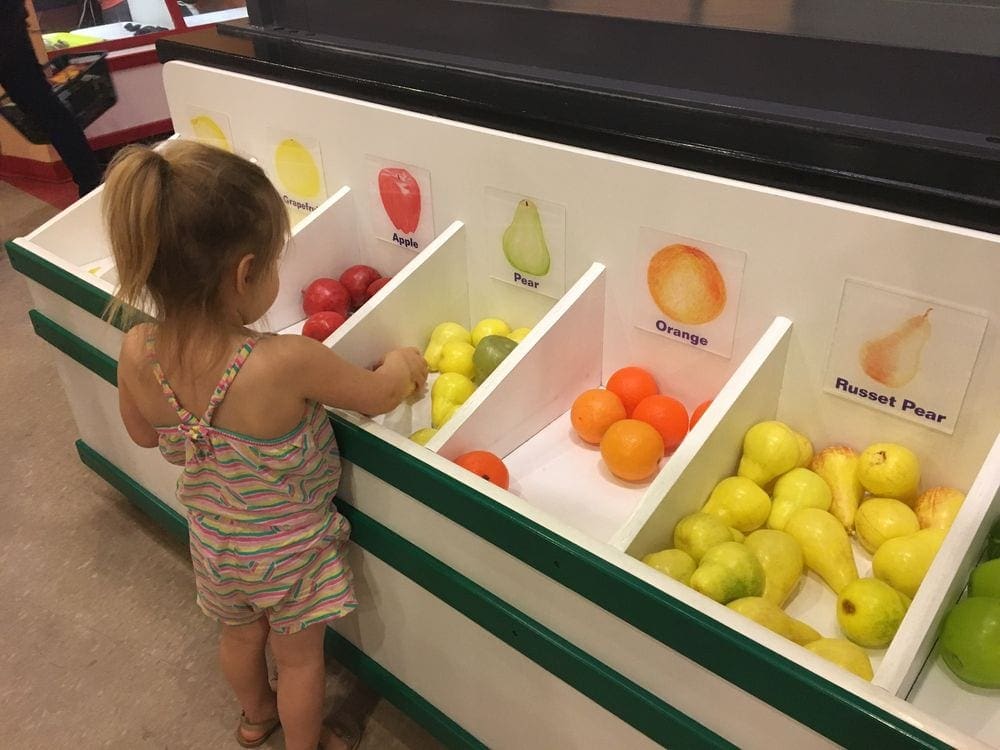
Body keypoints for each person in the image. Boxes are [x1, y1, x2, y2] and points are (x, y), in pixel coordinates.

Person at [105, 140, 427, 750]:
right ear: (245, 273)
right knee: (301, 660)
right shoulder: (283, 362)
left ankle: (255, 719)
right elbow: (377, 395)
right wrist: (403, 361)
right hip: (291, 549)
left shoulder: (136, 348)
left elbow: (144, 433)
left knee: (239, 637)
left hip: (214, 539)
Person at [0, 0, 102, 197]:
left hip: (8, 36)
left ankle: (90, 177)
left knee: (46, 110)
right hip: (10, 34)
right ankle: (89, 176)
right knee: (45, 109)